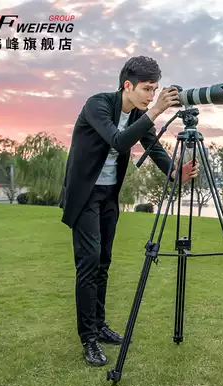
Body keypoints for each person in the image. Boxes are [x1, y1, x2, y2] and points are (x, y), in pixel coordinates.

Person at [59, 55, 199, 366]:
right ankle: (89, 339)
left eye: (155, 90)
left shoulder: (137, 114)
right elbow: (119, 141)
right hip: (84, 196)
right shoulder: (97, 105)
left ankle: (99, 325)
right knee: (89, 263)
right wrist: (156, 110)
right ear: (127, 86)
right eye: (147, 89)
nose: (151, 95)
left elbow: (153, 146)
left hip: (109, 195)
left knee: (103, 262)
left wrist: (175, 173)